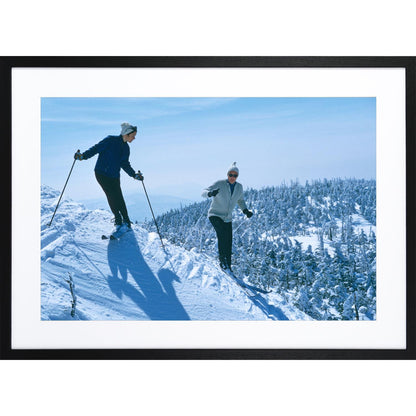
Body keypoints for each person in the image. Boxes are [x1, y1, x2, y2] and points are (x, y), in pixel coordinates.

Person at [74, 122, 144, 235]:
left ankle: (126, 220)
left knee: (119, 196)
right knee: (111, 195)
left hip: (114, 175)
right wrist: (83, 156)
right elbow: (95, 149)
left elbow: (124, 164)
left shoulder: (126, 148)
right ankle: (118, 220)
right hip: (102, 173)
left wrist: (134, 175)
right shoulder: (110, 140)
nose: (134, 138)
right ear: (127, 134)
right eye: (133, 135)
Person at [202, 162, 253, 271]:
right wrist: (210, 193)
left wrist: (245, 210)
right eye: (231, 175)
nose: (232, 177)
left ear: (237, 176)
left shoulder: (239, 187)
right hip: (215, 214)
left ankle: (228, 265)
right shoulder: (219, 184)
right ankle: (222, 261)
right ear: (227, 174)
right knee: (221, 235)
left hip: (227, 218)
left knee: (228, 240)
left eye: (235, 175)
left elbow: (240, 200)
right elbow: (203, 192)